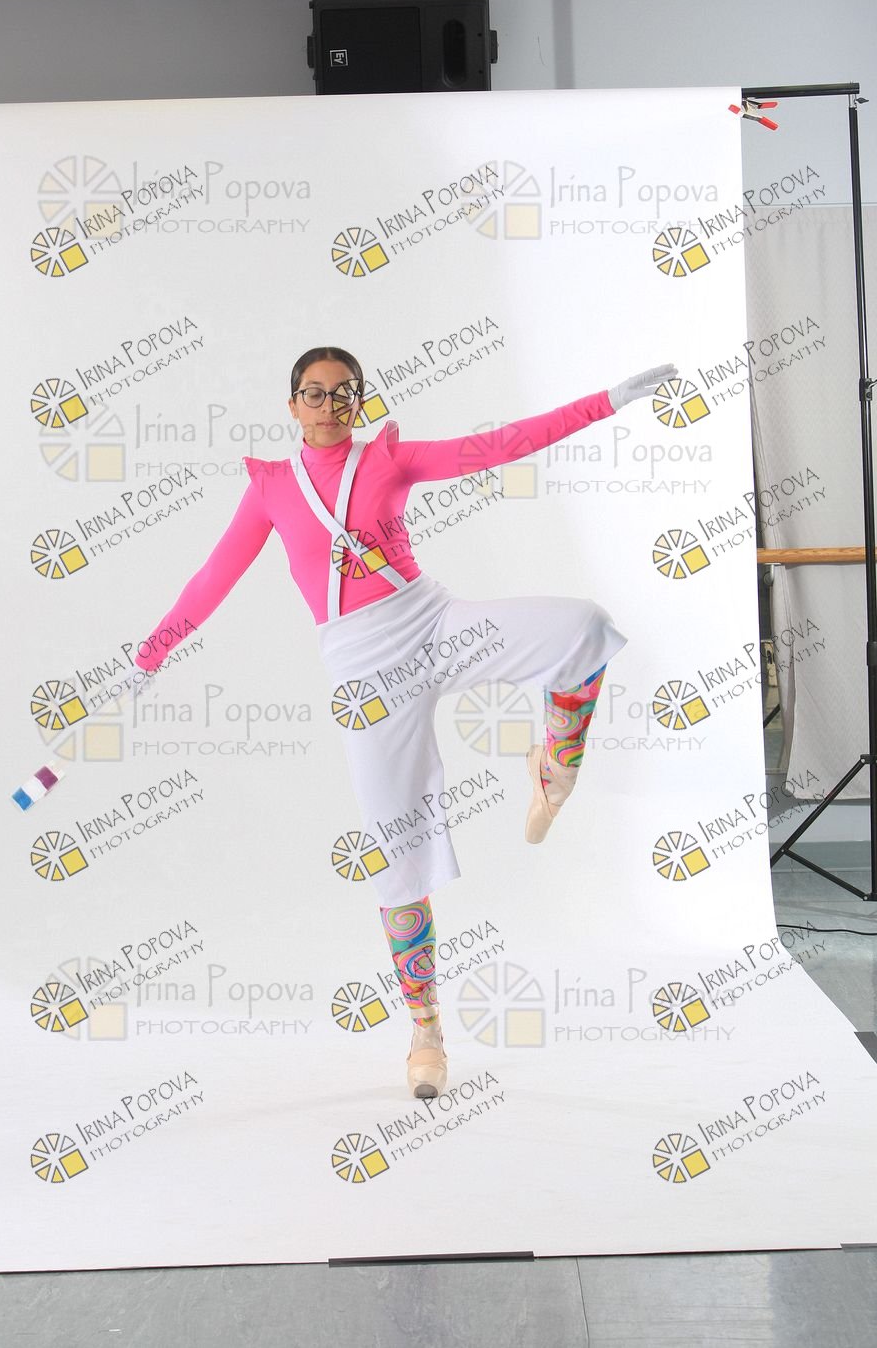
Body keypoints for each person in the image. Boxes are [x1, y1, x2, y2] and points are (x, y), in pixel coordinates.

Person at [132, 349, 676, 1100]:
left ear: (359, 402)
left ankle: (556, 763)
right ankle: (425, 1030)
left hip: (432, 622)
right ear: (292, 405)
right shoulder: (270, 489)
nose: (329, 406)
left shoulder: (388, 460)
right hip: (364, 673)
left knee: (582, 627)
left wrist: (607, 401)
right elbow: (211, 579)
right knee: (397, 849)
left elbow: (500, 445)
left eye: (343, 394)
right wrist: (150, 656)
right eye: (314, 394)